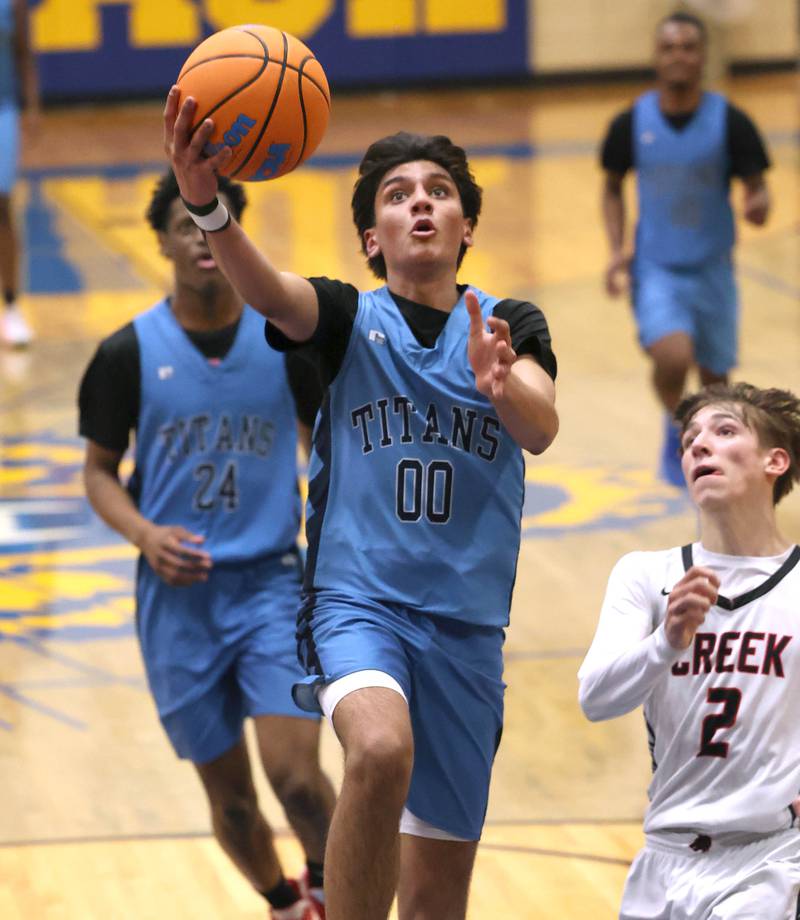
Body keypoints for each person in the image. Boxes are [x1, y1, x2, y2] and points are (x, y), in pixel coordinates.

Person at [164, 88, 559, 920]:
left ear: (467, 228)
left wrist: (499, 381)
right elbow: (270, 293)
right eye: (398, 193)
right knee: (379, 748)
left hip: (468, 628)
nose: (421, 201)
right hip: (360, 604)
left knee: (436, 899)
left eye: (439, 191)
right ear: (372, 239)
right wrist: (206, 203)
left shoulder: (509, 323)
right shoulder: (347, 317)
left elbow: (541, 427)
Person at [78, 170, 335, 920]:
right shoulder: (125, 352)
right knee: (236, 808)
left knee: (296, 780)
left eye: (213, 223)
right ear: (160, 239)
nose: (200, 238)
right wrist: (144, 533)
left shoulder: (284, 342)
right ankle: (285, 903)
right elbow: (97, 473)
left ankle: (336, 893)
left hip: (271, 588)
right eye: (185, 224)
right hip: (178, 603)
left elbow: (328, 450)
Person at [579, 381, 800, 919]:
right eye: (689, 439)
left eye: (724, 431)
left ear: (776, 461)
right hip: (665, 858)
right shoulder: (645, 574)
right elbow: (595, 698)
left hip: (771, 859)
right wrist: (666, 643)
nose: (699, 445)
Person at [600, 10, 771, 486]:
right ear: (657, 57)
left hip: (714, 268)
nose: (678, 56)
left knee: (717, 383)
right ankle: (676, 427)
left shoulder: (731, 121)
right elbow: (611, 187)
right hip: (656, 268)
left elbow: (758, 187)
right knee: (673, 357)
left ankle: (702, 444)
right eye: (669, 47)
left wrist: (757, 203)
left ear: (703, 56)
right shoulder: (631, 122)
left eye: (688, 47)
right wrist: (617, 250)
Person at [0, 0, 38, 347]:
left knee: (2, 206)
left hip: (3, 108)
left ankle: (11, 308)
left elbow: (24, 51)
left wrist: (32, 106)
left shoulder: (14, 4)